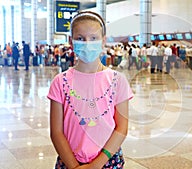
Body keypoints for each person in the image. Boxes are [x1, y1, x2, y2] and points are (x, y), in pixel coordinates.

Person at [47, 11, 133, 169]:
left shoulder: (117, 81)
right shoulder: (60, 82)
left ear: (103, 41)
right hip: (69, 161)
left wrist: (96, 165)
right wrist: (74, 166)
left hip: (108, 161)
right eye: (80, 38)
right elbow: (56, 132)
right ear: (71, 42)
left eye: (93, 38)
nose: (87, 43)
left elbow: (121, 127)